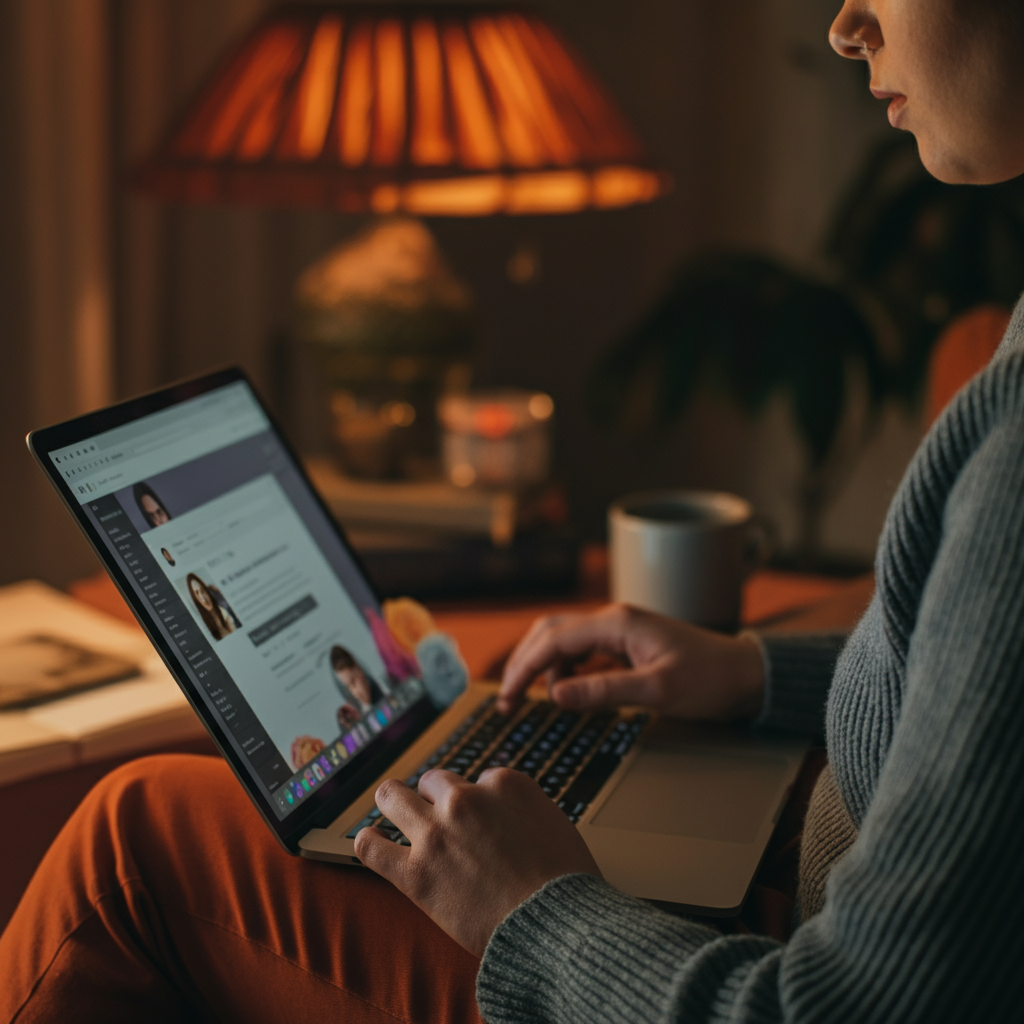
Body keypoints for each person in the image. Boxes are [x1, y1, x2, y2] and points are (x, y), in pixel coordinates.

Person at [4, 1, 1024, 1020]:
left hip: (748, 965)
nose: (846, 25)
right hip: (803, 892)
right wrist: (752, 673)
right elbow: (972, 684)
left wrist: (535, 906)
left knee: (135, 832)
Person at [329, 644, 384, 712]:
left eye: (353, 682)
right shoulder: (362, 714)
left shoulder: (388, 689)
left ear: (360, 670)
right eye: (348, 687)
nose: (355, 693)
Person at [186, 573, 236, 641]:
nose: (202, 596)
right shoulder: (200, 622)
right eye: (197, 592)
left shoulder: (221, 606)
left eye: (202, 590)